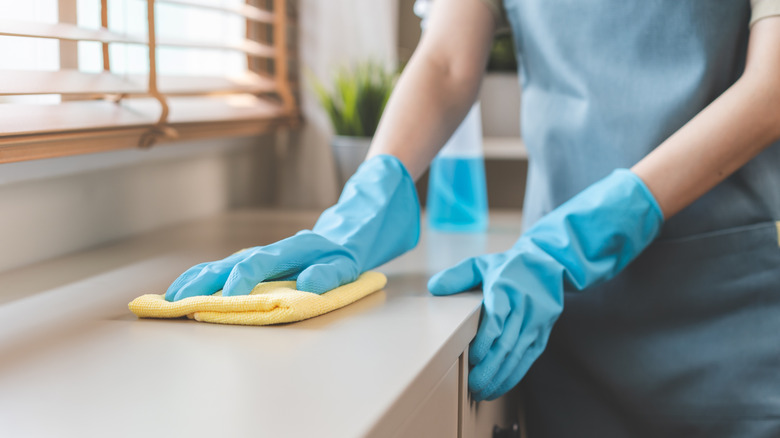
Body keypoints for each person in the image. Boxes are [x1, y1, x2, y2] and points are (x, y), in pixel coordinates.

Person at [165, 0, 780, 435]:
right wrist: (371, 197)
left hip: (719, 319)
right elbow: (447, 62)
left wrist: (582, 235)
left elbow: (771, 89)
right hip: (562, 313)